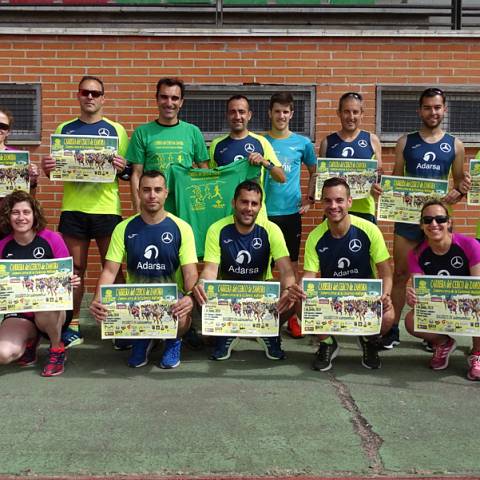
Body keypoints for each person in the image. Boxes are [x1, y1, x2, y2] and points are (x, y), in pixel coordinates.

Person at [41, 76, 129, 349]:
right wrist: (49, 168)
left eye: (96, 93)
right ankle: (73, 323)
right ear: (78, 96)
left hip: (107, 209)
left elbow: (126, 172)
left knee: (113, 268)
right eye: (85, 92)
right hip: (74, 209)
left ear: (103, 98)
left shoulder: (117, 130)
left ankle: (120, 323)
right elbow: (55, 170)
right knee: (75, 269)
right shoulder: (64, 128)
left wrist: (122, 166)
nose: (90, 97)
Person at [382, 87, 470, 350]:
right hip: (408, 220)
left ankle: (435, 334)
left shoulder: (455, 144)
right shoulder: (405, 142)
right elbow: (396, 180)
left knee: (438, 279)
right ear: (420, 110)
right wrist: (383, 189)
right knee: (400, 274)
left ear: (444, 109)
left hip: (438, 223)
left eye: (437, 107)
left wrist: (459, 192)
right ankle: (393, 329)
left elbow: (459, 185)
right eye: (428, 107)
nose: (433, 112)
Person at [89, 170, 198, 369]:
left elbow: (190, 272)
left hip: (170, 299)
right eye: (146, 190)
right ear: (138, 192)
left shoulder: (182, 228)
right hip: (135, 299)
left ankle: (173, 340)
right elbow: (109, 271)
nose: (152, 195)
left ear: (166, 192)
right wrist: (98, 299)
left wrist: (189, 297)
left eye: (157, 190)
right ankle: (143, 339)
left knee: (182, 316)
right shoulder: (124, 228)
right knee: (104, 312)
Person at [287, 177, 394, 371]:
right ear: (322, 203)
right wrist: (300, 287)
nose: (333, 206)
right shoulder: (316, 236)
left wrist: (385, 294)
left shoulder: (369, 230)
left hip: (364, 297)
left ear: (349, 202)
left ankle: (369, 341)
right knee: (300, 301)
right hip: (331, 296)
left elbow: (386, 272)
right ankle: (327, 342)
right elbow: (310, 274)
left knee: (388, 315)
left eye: (339, 200)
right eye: (328, 200)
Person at [192, 180, 296, 361]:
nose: (249, 208)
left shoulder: (271, 230)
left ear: (260, 206)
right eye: (244, 202)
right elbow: (210, 270)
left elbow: (287, 271)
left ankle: (269, 332)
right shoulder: (217, 229)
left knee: (294, 294)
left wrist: (288, 290)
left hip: (261, 297)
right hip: (228, 296)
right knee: (198, 292)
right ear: (234, 203)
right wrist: (202, 283)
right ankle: (225, 333)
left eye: (254, 203)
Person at [0, 191, 80, 377]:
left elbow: (67, 274)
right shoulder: (3, 245)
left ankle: (57, 348)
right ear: (8, 216)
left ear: (34, 214)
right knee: (4, 354)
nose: (21, 217)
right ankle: (30, 342)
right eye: (15, 212)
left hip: (52, 311)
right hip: (20, 312)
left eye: (26, 212)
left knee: (44, 302)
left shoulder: (52, 239)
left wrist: (72, 280)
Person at [404, 200, 480, 380]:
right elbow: (420, 293)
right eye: (428, 220)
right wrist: (413, 297)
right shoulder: (415, 254)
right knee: (411, 320)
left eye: (440, 219)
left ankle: (477, 352)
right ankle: (443, 343)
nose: (434, 224)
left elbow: (478, 286)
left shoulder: (470, 245)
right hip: (441, 308)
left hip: (469, 305)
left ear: (450, 222)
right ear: (422, 225)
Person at [263, 92, 317, 339]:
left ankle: (293, 317)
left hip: (289, 215)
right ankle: (261, 315)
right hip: (262, 214)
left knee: (291, 267)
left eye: (286, 112)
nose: (281, 116)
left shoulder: (303, 143)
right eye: (277, 111)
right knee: (261, 266)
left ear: (292, 114)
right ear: (270, 113)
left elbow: (316, 171)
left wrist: (310, 198)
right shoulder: (261, 142)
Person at [128, 77, 209, 212]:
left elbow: (204, 172)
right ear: (157, 99)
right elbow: (136, 175)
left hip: (186, 207)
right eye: (164, 97)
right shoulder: (142, 132)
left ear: (181, 102)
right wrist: (138, 210)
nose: (169, 103)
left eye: (174, 98)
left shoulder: (193, 132)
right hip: (152, 209)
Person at [317, 91, 382, 223]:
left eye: (355, 112)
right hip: (335, 210)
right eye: (346, 111)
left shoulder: (372, 140)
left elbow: (379, 175)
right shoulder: (327, 142)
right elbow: (322, 182)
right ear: (339, 113)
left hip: (364, 211)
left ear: (362, 114)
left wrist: (378, 186)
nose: (351, 116)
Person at [209, 95, 285, 190]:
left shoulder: (261, 141)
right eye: (233, 112)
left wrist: (264, 162)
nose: (237, 117)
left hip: (254, 204)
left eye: (241, 112)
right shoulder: (216, 144)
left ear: (249, 115)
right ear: (227, 115)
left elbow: (281, 178)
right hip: (225, 204)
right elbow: (210, 179)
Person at [0, 107, 39, 197]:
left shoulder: (19, 158)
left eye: (3, 126)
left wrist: (32, 182)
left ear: (8, 132)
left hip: (9, 209)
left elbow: (29, 197)